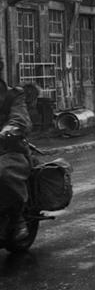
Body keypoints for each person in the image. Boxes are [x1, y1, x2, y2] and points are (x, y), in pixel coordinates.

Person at [0, 58, 33, 242]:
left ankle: (17, 218)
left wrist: (9, 130)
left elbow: (20, 119)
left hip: (9, 149)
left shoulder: (13, 95)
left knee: (4, 174)